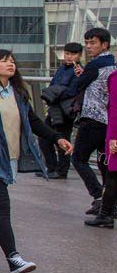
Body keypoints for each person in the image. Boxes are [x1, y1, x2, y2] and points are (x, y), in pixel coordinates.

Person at [0, 50, 72, 273]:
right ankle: (13, 258)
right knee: (1, 204)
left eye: (12, 61)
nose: (10, 64)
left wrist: (57, 138)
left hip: (9, 157)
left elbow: (33, 121)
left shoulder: (18, 92)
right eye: (4, 61)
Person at [72, 28, 114, 209]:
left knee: (79, 158)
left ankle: (99, 196)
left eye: (93, 43)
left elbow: (78, 86)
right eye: (87, 42)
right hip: (109, 122)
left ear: (104, 44)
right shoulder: (112, 64)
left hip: (93, 119)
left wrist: (82, 76)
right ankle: (109, 203)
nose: (88, 46)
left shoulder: (95, 65)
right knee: (104, 162)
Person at [41, 43, 84, 178]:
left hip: (67, 110)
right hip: (54, 107)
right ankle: (51, 168)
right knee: (44, 138)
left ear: (79, 55)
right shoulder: (61, 69)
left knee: (63, 139)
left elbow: (74, 90)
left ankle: (61, 171)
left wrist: (55, 94)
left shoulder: (79, 71)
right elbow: (54, 84)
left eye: (73, 54)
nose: (69, 57)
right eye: (67, 54)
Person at [85, 70, 117, 228]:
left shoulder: (115, 77)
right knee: (113, 176)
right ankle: (106, 214)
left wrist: (112, 137)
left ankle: (106, 215)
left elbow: (115, 109)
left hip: (115, 136)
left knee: (113, 175)